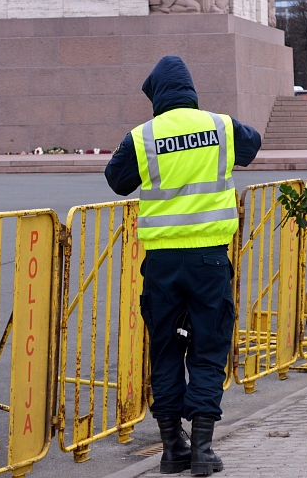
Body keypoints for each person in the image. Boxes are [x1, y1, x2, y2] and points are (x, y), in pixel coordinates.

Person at [104, 55, 261, 476]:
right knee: (208, 350)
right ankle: (203, 449)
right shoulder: (221, 126)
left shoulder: (144, 136)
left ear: (156, 95)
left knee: (167, 349)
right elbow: (254, 143)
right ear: (191, 90)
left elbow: (116, 180)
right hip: (209, 259)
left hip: (162, 263)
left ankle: (173, 447)